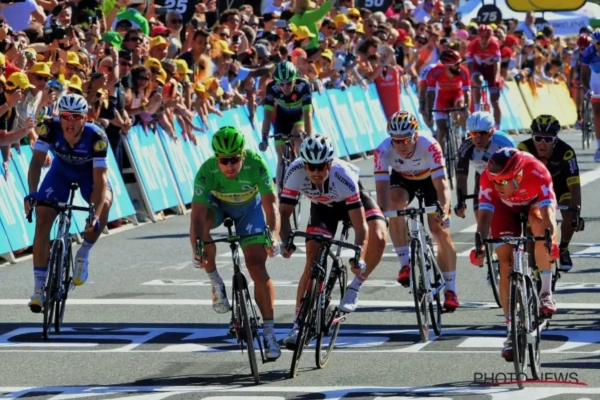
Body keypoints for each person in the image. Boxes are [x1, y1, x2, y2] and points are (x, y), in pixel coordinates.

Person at [279, 135, 387, 346]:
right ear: (304, 164)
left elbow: (360, 227)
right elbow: (283, 214)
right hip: (322, 208)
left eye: (321, 167)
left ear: (329, 163)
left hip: (350, 203)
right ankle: (298, 324)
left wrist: (358, 256)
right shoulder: (295, 170)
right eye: (311, 167)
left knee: (379, 235)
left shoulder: (343, 174)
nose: (316, 172)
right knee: (311, 264)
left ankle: (355, 287)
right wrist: (286, 241)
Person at [190, 126, 283, 361]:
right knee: (203, 225)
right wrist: (197, 251)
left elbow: (271, 206)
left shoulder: (256, 164)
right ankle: (215, 281)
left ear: (242, 154)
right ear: (216, 158)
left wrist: (273, 236)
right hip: (218, 208)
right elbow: (196, 218)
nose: (229, 166)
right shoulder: (206, 172)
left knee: (256, 267)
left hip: (249, 212)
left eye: (234, 159)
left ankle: (270, 333)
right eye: (223, 160)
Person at [25, 94, 113, 312]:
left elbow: (101, 179)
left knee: (105, 203)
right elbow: (36, 162)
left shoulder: (97, 137)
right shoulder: (49, 128)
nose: (70, 122)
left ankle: (83, 252)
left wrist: (94, 214)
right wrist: (33, 193)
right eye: (65, 116)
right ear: (59, 116)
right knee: (42, 217)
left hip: (88, 174)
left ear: (85, 118)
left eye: (75, 117)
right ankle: (38, 290)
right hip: (61, 172)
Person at [471, 148, 560, 361]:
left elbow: (549, 214)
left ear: (518, 176)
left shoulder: (538, 172)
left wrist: (551, 241)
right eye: (495, 182)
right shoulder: (488, 178)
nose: (498, 186)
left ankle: (545, 293)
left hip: (534, 204)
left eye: (503, 181)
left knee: (540, 227)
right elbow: (484, 218)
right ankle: (510, 330)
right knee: (505, 262)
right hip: (504, 208)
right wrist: (480, 245)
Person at [374, 111, 458, 310]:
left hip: (430, 181)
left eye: (406, 140)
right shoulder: (382, 150)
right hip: (403, 179)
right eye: (396, 141)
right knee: (394, 203)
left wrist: (445, 212)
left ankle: (451, 290)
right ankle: (405, 264)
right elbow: (381, 189)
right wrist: (381, 215)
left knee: (438, 229)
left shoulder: (429, 145)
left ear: (416, 135)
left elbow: (442, 185)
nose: (401, 145)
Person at [517, 115, 583, 272]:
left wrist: (576, 211)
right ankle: (534, 271)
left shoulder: (566, 152)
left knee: (570, 217)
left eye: (548, 139)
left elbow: (574, 186)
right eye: (538, 138)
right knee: (531, 226)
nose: (542, 143)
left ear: (555, 139)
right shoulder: (523, 149)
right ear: (532, 137)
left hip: (560, 187)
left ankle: (564, 248)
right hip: (536, 188)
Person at [259, 61, 314, 190]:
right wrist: (264, 138)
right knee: (281, 157)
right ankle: (280, 192)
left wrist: (309, 138)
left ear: (295, 79)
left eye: (289, 83)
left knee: (297, 135)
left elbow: (308, 113)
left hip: (300, 115)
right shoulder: (271, 87)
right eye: (281, 84)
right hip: (283, 118)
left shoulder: (303, 85)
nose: (285, 87)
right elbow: (267, 115)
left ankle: (304, 165)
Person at [455, 111, 515, 221]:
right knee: (481, 221)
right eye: (474, 134)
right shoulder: (466, 148)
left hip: (505, 177)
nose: (478, 138)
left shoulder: (504, 142)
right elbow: (462, 177)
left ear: (491, 132)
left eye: (482, 134)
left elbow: (518, 168)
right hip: (482, 177)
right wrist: (461, 202)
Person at [425, 49, 470, 146]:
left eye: (460, 62)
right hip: (442, 98)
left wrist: (466, 108)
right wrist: (429, 110)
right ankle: (441, 154)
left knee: (461, 107)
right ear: (446, 65)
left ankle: (464, 134)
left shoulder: (463, 71)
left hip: (457, 94)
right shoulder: (435, 72)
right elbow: (430, 93)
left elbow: (467, 92)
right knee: (442, 129)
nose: (459, 66)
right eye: (456, 64)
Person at [466, 24, 502, 129]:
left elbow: (497, 63)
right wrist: (472, 77)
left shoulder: (494, 44)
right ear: (478, 36)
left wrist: (496, 77)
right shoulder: (472, 45)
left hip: (491, 70)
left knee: (495, 102)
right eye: (482, 37)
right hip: (478, 68)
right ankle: (477, 109)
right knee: (478, 81)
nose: (484, 39)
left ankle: (498, 128)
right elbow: (469, 64)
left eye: (487, 37)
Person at [580, 30, 600, 162]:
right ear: (593, 43)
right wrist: (587, 90)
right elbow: (584, 75)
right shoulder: (588, 52)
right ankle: (599, 147)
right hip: (595, 83)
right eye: (599, 44)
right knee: (597, 113)